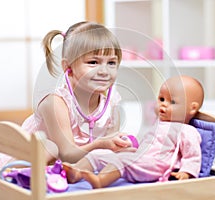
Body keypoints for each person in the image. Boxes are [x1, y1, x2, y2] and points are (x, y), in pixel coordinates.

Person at [20, 21, 135, 164]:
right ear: (68, 67)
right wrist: (100, 144)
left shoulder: (111, 107)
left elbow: (107, 151)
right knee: (50, 149)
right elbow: (67, 154)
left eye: (111, 63)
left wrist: (119, 148)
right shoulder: (56, 103)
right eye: (93, 62)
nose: (104, 71)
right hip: (33, 163)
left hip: (74, 167)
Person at [62, 75, 204, 188]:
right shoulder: (159, 124)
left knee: (123, 160)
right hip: (142, 158)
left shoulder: (186, 130)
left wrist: (186, 173)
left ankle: (100, 180)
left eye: (172, 102)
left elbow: (192, 156)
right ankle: (75, 171)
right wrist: (130, 147)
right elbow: (147, 145)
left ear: (192, 108)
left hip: (157, 165)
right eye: (161, 99)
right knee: (101, 154)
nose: (163, 105)